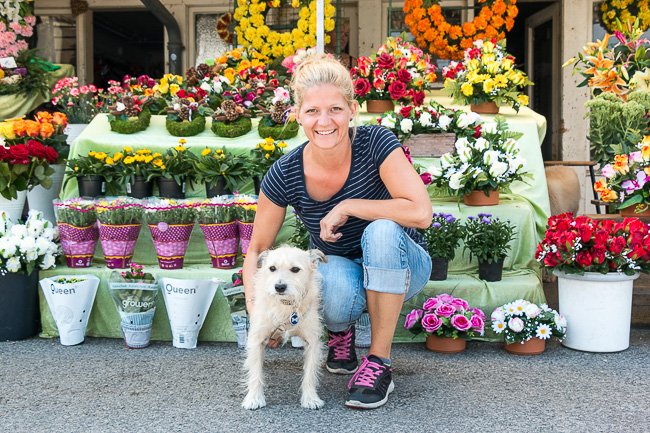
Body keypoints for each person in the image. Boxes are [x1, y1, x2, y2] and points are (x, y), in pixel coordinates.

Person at [242, 53, 432, 410]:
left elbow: (421, 213)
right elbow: (257, 250)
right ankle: (340, 331)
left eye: (335, 109)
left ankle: (378, 363)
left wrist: (348, 206)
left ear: (352, 110)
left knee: (381, 231)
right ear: (297, 114)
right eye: (312, 111)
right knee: (327, 284)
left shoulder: (376, 143)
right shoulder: (285, 173)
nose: (324, 121)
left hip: (403, 264)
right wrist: (259, 314)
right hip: (341, 272)